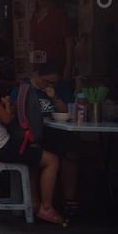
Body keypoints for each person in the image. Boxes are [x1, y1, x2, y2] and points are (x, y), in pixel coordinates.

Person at [0, 55, 64, 224]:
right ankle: (46, 208)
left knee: (34, 152)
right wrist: (8, 105)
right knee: (51, 160)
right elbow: (7, 119)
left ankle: (35, 203)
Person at [9, 61, 79, 215]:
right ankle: (37, 203)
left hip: (57, 133)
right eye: (47, 81)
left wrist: (54, 97)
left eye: (55, 82)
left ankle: (69, 200)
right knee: (36, 154)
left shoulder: (59, 88)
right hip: (33, 135)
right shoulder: (24, 88)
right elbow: (14, 112)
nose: (51, 84)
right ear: (37, 75)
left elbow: (67, 111)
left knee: (70, 153)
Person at [30, 0, 74, 80]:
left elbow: (69, 41)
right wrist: (33, 68)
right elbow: (33, 44)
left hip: (56, 65)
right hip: (39, 67)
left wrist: (68, 67)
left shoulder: (59, 14)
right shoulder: (34, 17)